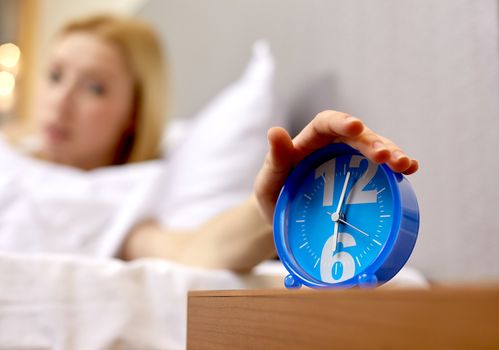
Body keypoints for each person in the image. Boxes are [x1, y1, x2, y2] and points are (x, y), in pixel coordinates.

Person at [2, 15, 418, 271]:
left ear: (133, 115)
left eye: (94, 87)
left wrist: (277, 206)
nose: (62, 101)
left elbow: (192, 250)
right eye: (55, 75)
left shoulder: (114, 199)